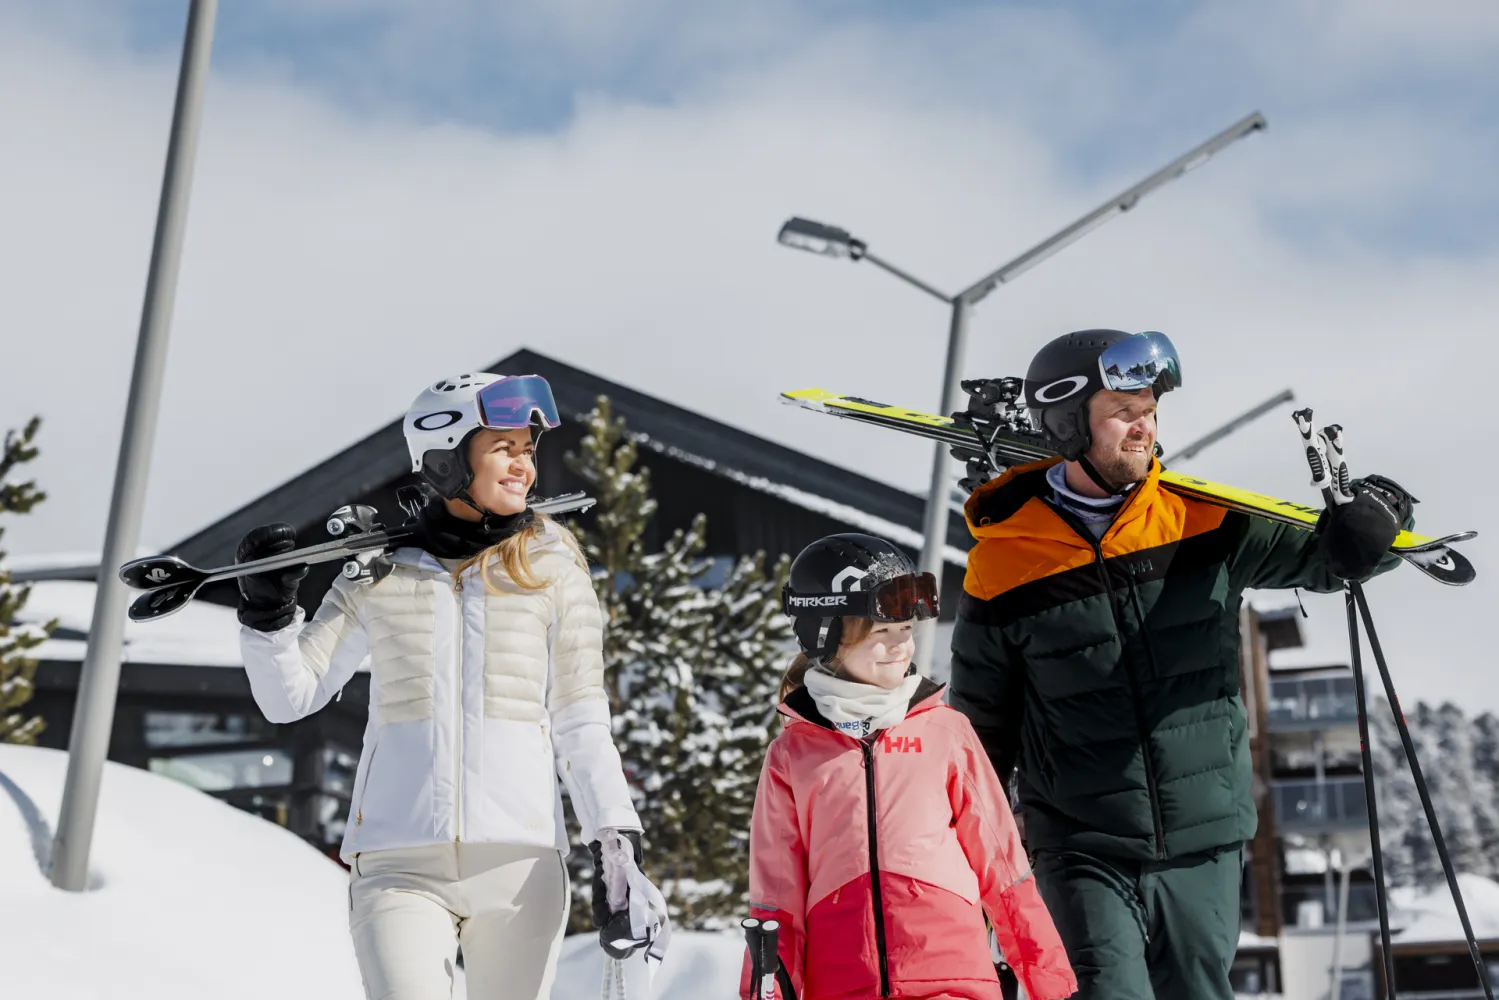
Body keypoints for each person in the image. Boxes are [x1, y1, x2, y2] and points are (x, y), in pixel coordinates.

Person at [947, 330, 1413, 1000]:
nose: (1143, 427)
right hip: (1080, 842)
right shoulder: (1006, 561)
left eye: (1150, 410)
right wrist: (962, 855)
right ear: (1068, 421)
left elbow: (1328, 558)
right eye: (1122, 411)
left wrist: (1379, 516)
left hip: (1205, 837)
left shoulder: (1204, 523)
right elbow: (980, 726)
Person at [234, 372, 661, 1000]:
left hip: (519, 865)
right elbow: (289, 697)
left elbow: (580, 721)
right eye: (505, 448)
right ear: (445, 457)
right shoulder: (376, 570)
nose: (525, 467)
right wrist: (268, 619)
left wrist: (615, 840)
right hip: (397, 861)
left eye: (529, 451)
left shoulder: (554, 567)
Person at [742, 533, 1077, 1000]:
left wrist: (1050, 983)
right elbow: (776, 898)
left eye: (906, 632)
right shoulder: (794, 756)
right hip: (842, 985)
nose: (900, 647)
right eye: (882, 634)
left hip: (954, 982)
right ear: (827, 634)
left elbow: (1003, 870)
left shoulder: (945, 731)